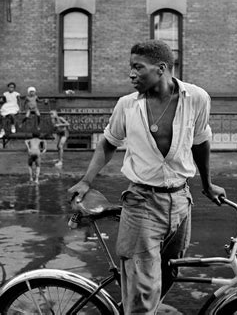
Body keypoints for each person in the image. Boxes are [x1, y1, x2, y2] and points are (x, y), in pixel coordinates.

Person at [68, 39, 226, 315]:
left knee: (167, 277)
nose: (131, 74)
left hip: (180, 202)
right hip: (142, 203)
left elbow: (201, 142)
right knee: (142, 297)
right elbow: (108, 143)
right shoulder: (127, 105)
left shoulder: (197, 99)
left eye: (137, 67)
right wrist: (86, 180)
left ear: (161, 68)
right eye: (130, 67)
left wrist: (207, 184)